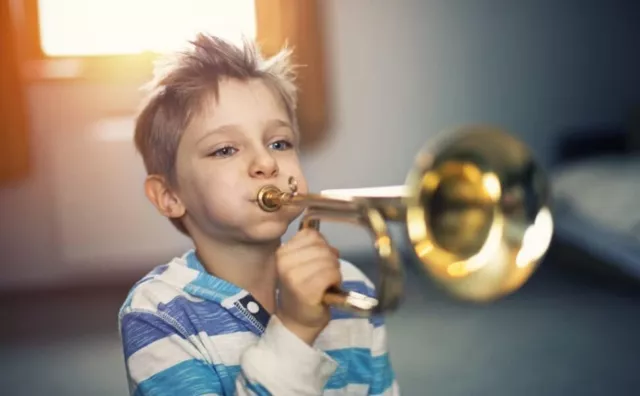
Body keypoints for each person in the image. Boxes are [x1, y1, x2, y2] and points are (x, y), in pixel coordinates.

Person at [118, 32, 400, 395]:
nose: (266, 162)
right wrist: (296, 327)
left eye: (279, 143)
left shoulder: (351, 285)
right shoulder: (158, 313)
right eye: (224, 150)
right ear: (169, 196)